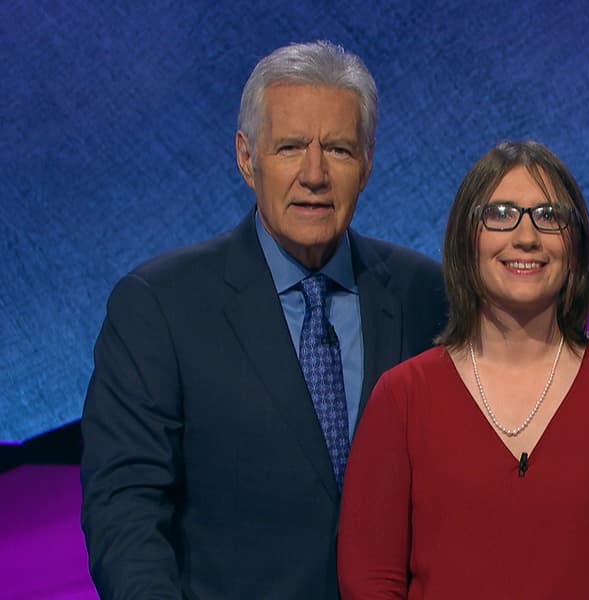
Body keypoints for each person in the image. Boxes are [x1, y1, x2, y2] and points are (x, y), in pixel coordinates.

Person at [80, 40, 447, 599]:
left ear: (368, 162)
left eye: (340, 150)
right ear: (247, 158)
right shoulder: (158, 305)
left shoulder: (426, 293)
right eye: (291, 147)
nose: (315, 174)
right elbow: (125, 510)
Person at [337, 141, 589, 599]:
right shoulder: (402, 398)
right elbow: (369, 580)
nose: (526, 237)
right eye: (501, 213)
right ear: (467, 240)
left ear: (576, 245)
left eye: (549, 216)